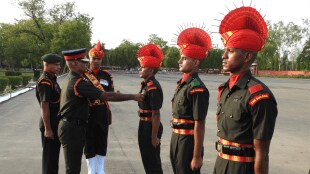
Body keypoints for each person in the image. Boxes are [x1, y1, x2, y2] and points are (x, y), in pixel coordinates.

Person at [58, 48, 144, 174]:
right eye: (84, 62)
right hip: (72, 128)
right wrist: (132, 96)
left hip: (75, 125)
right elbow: (106, 96)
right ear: (74, 63)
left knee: (74, 165)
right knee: (73, 167)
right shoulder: (78, 82)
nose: (87, 64)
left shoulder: (73, 78)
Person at [213, 5, 278, 174]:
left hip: (242, 168)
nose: (223, 56)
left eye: (230, 51)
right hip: (221, 163)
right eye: (225, 50)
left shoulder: (259, 95)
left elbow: (262, 153)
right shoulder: (226, 89)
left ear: (247, 56)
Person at [170, 27, 212, 174]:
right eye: (181, 57)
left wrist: (197, 155)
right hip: (176, 138)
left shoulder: (197, 88)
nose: (179, 61)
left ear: (195, 62)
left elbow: (199, 124)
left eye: (184, 58)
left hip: (188, 142)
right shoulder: (182, 84)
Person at [84, 41, 114, 174]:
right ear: (89, 59)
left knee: (102, 139)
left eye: (99, 59)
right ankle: (91, 170)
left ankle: (100, 169)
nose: (96, 61)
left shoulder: (106, 76)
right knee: (89, 140)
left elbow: (111, 93)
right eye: (94, 58)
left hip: (102, 111)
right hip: (88, 111)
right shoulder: (84, 75)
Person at [136, 44, 164, 174]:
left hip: (150, 126)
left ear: (152, 70)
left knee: (152, 162)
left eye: (143, 67)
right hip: (144, 124)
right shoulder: (146, 84)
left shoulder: (153, 86)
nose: (139, 69)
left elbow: (156, 114)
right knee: (147, 159)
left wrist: (154, 137)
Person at [36, 53, 62, 174]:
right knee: (49, 159)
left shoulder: (52, 79)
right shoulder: (45, 82)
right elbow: (44, 105)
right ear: (47, 65)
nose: (59, 67)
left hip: (54, 123)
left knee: (53, 157)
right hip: (49, 123)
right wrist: (48, 129)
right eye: (56, 65)